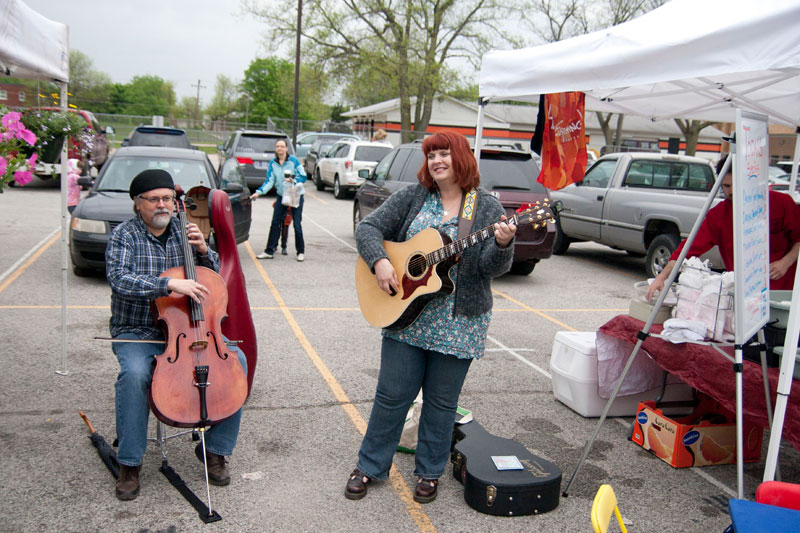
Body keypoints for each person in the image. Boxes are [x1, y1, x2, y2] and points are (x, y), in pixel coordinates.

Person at [345, 131, 517, 503]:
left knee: (441, 403)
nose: (437, 161)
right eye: (431, 155)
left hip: (459, 321)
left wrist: (503, 244)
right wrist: (380, 262)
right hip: (406, 314)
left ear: (461, 158)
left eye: (444, 154)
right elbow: (368, 227)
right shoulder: (414, 196)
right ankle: (370, 465)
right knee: (392, 396)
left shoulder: (484, 207)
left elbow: (490, 268)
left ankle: (430, 472)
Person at [105, 169, 247, 501]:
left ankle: (215, 449)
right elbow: (118, 278)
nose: (162, 205)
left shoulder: (184, 231)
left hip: (190, 329)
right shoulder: (125, 236)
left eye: (167, 198)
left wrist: (202, 252)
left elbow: (212, 279)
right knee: (135, 374)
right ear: (137, 204)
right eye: (154, 199)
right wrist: (167, 283)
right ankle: (129, 462)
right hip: (137, 330)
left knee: (236, 361)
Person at [647, 155, 800, 301]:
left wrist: (785, 262)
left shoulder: (782, 203)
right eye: (726, 186)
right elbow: (686, 249)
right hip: (744, 295)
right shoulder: (718, 215)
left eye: (737, 185)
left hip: (785, 293)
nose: (731, 191)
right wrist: (661, 277)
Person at [250, 138, 307, 262]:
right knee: (275, 223)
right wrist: (258, 193)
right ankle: (269, 250)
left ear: (286, 148)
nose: (280, 149)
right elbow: (269, 181)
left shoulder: (293, 161)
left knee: (296, 224)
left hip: (295, 194)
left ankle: (300, 251)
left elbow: (303, 176)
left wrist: (294, 180)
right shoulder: (273, 163)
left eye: (282, 146)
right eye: (277, 146)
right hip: (282, 195)